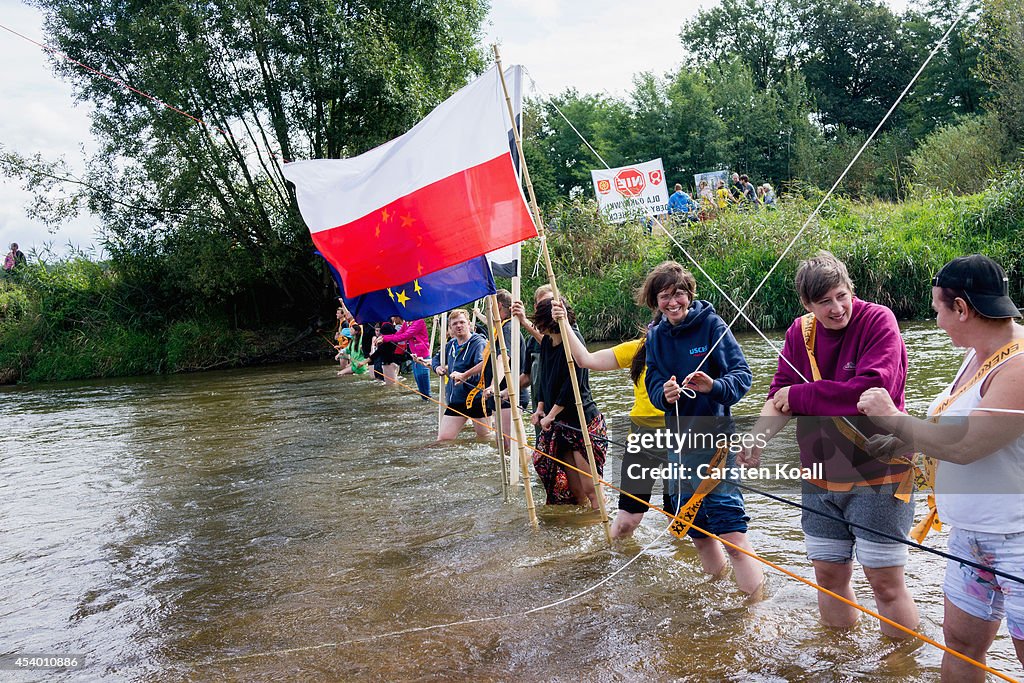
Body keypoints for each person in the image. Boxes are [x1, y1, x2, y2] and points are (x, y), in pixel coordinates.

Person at [857, 254, 1024, 680]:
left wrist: (892, 415)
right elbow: (953, 425)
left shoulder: (1019, 362)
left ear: (963, 309)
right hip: (970, 536)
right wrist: (901, 440)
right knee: (962, 646)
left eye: (937, 310)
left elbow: (968, 445)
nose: (937, 322)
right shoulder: (978, 353)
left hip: (1017, 539)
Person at [739, 250, 918, 636]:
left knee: (884, 581)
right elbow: (778, 396)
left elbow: (871, 391)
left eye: (842, 296)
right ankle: (839, 660)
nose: (837, 308)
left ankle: (899, 669)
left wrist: (803, 397)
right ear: (807, 305)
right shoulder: (799, 333)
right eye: (824, 303)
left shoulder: (878, 320)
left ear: (851, 289)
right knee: (828, 575)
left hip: (879, 471)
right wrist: (757, 440)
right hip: (819, 474)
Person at [642, 261, 763, 594]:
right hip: (679, 447)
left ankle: (756, 611)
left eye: (678, 294)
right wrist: (662, 395)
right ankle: (718, 597)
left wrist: (714, 386)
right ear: (656, 302)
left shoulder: (712, 325)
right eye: (665, 296)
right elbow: (652, 380)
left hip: (716, 444)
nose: (673, 302)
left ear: (689, 294)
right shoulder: (656, 336)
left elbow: (743, 376)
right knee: (696, 533)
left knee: (732, 534)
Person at [550, 297, 663, 538]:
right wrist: (564, 322)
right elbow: (586, 360)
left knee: (684, 522)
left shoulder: (694, 352)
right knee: (625, 523)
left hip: (684, 441)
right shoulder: (638, 349)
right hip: (643, 441)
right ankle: (611, 558)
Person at [531, 297, 607, 509]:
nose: (537, 325)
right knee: (575, 491)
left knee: (591, 487)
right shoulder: (546, 342)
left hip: (582, 421)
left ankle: (601, 523)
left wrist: (551, 415)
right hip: (560, 425)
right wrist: (540, 409)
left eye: (539, 319)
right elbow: (544, 378)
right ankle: (583, 528)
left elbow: (571, 387)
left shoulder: (574, 341)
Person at [431, 309, 490, 441]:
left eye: (462, 322)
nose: (459, 326)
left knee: (485, 437)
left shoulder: (479, 343)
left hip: (476, 398)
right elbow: (436, 359)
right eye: (455, 324)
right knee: (443, 439)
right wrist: (437, 368)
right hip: (456, 399)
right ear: (450, 328)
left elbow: (483, 366)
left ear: (469, 324)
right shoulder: (451, 344)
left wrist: (464, 375)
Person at [381, 316, 430, 400]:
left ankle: (429, 406)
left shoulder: (419, 321)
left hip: (423, 357)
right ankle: (425, 406)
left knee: (425, 390)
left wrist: (385, 338)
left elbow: (405, 336)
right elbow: (398, 334)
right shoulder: (406, 323)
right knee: (420, 388)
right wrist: (383, 337)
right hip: (414, 357)